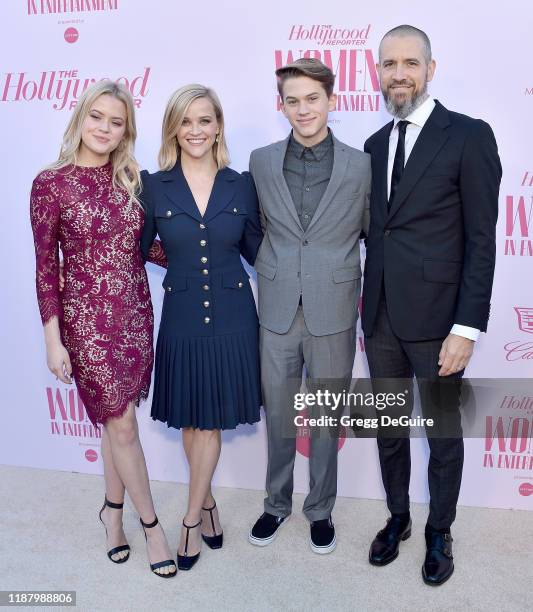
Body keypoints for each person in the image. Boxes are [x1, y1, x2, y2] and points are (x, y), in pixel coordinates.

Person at [362, 25, 501, 585]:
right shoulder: (373, 145)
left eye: (410, 63)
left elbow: (482, 240)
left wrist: (466, 326)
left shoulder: (468, 135)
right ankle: (398, 517)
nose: (399, 74)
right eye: (389, 64)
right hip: (380, 320)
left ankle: (439, 530)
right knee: (390, 430)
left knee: (442, 435)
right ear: (378, 72)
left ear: (430, 69)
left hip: (442, 321)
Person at [30, 81, 176, 577]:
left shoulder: (132, 179)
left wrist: (202, 249)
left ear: (125, 131)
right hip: (86, 323)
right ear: (80, 117)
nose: (104, 128)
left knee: (120, 425)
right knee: (123, 425)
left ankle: (112, 517)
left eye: (116, 122)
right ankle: (152, 526)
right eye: (97, 117)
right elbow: (46, 267)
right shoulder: (51, 183)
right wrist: (54, 338)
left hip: (134, 314)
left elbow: (149, 248)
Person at [248, 58, 371, 554]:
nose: (303, 110)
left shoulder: (361, 164)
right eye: (292, 101)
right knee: (278, 412)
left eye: (312, 99)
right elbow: (252, 226)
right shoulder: (260, 161)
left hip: (334, 307)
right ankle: (275, 504)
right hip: (276, 307)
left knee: (326, 417)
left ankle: (320, 509)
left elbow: (370, 228)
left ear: (332, 101)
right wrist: (268, 263)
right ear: (281, 106)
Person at [140, 84, 263, 570]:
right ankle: (208, 502)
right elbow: (139, 246)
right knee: (193, 419)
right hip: (183, 313)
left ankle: (190, 519)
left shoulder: (242, 183)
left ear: (218, 127)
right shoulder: (153, 185)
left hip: (234, 316)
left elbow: (257, 250)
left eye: (205, 120)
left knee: (208, 421)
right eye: (186, 121)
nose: (196, 130)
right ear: (173, 127)